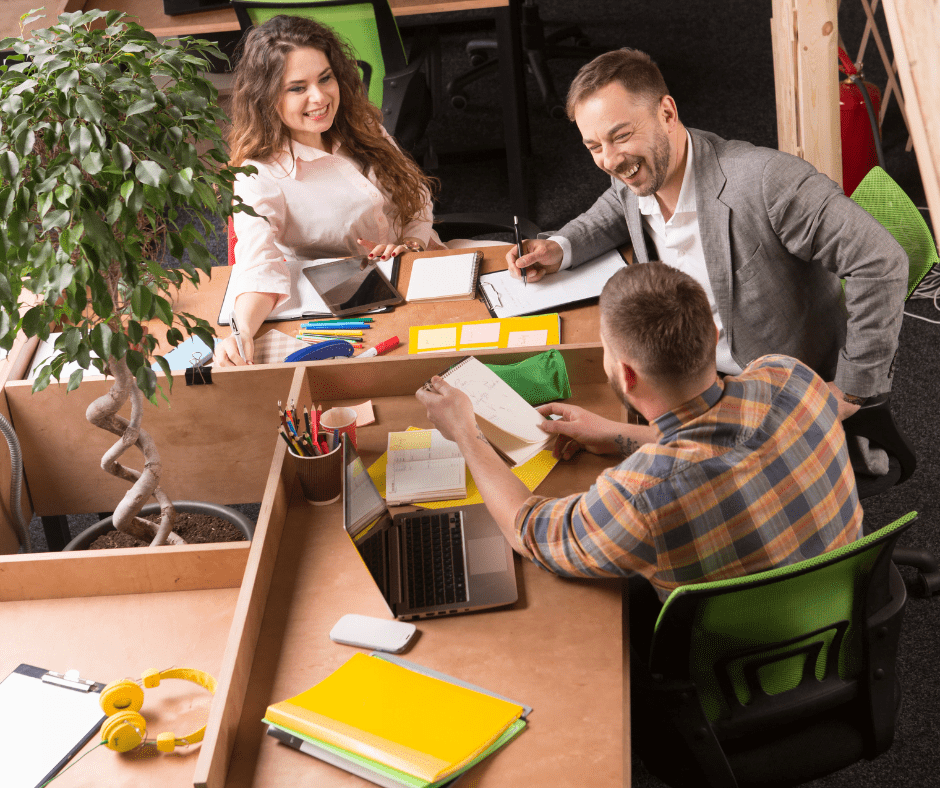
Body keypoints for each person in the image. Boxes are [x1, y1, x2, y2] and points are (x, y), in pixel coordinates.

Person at [506, 48, 907, 431]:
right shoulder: (636, 174)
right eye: (594, 146)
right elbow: (616, 203)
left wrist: (853, 389)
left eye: (621, 135)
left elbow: (880, 260)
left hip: (772, 397)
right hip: (689, 380)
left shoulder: (767, 182)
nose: (609, 161)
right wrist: (561, 246)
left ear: (666, 113)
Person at [416, 262, 863, 605]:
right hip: (841, 609)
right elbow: (723, 443)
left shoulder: (641, 495)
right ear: (714, 334)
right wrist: (615, 434)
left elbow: (526, 529)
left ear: (625, 376)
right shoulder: (789, 377)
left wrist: (467, 433)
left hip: (740, 664)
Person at [217, 15, 445, 366]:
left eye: (325, 78)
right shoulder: (259, 172)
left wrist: (411, 243)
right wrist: (241, 331)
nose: (319, 96)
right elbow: (258, 264)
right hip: (351, 307)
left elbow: (416, 196)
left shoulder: (359, 124)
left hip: (418, 268)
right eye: (297, 88)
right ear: (267, 97)